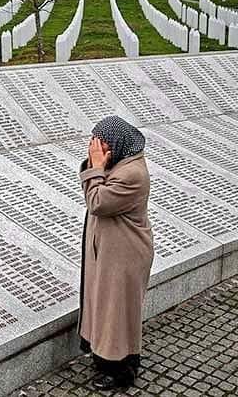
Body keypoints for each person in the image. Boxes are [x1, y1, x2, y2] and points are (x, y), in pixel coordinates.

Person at [77, 115, 154, 390]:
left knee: (117, 312)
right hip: (112, 252)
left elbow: (97, 202)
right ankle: (112, 359)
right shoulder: (121, 162)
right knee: (109, 308)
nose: (98, 151)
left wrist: (96, 167)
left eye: (103, 145)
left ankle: (120, 372)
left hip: (125, 255)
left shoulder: (132, 174)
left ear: (119, 144)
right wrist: (96, 165)